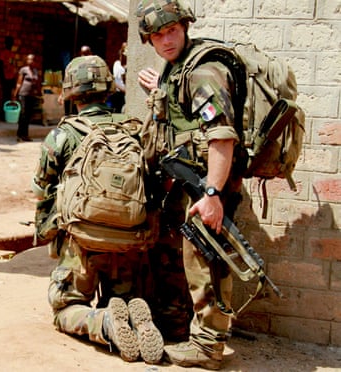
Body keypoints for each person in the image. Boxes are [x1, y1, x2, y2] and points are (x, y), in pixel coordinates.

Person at [32, 55, 164, 364]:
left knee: (65, 308)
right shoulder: (131, 129)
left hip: (81, 243)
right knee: (125, 296)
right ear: (109, 90)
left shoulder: (62, 135)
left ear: (70, 93)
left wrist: (47, 230)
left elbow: (41, 189)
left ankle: (104, 324)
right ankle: (130, 310)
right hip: (129, 241)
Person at [136, 0, 244, 369]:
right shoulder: (177, 69)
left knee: (206, 257)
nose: (166, 40)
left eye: (172, 31)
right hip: (189, 182)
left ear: (185, 28)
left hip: (207, 184)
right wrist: (160, 90)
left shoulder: (203, 72)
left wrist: (213, 193)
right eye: (158, 35)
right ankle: (185, 327)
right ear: (149, 40)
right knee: (184, 254)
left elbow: (221, 136)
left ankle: (210, 346)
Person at [12, 53, 40, 142]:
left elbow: (37, 83)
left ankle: (25, 135)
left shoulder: (35, 71)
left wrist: (39, 94)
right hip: (23, 94)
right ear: (26, 61)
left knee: (28, 115)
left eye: (32, 60)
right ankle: (19, 135)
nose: (31, 61)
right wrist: (15, 94)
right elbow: (19, 83)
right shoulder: (23, 70)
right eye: (29, 59)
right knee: (23, 114)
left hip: (31, 95)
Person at [108, 41, 127, 113]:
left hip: (125, 94)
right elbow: (116, 80)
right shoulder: (117, 64)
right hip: (119, 95)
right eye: (124, 50)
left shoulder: (129, 67)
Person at [0, 36, 18, 105]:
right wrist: (2, 78)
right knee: (5, 96)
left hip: (11, 78)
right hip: (5, 78)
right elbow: (0, 66)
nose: (10, 44)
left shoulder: (12, 54)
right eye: (9, 43)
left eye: (11, 43)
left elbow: (14, 66)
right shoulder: (3, 53)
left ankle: (10, 111)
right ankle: (4, 112)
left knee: (11, 95)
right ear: (6, 43)